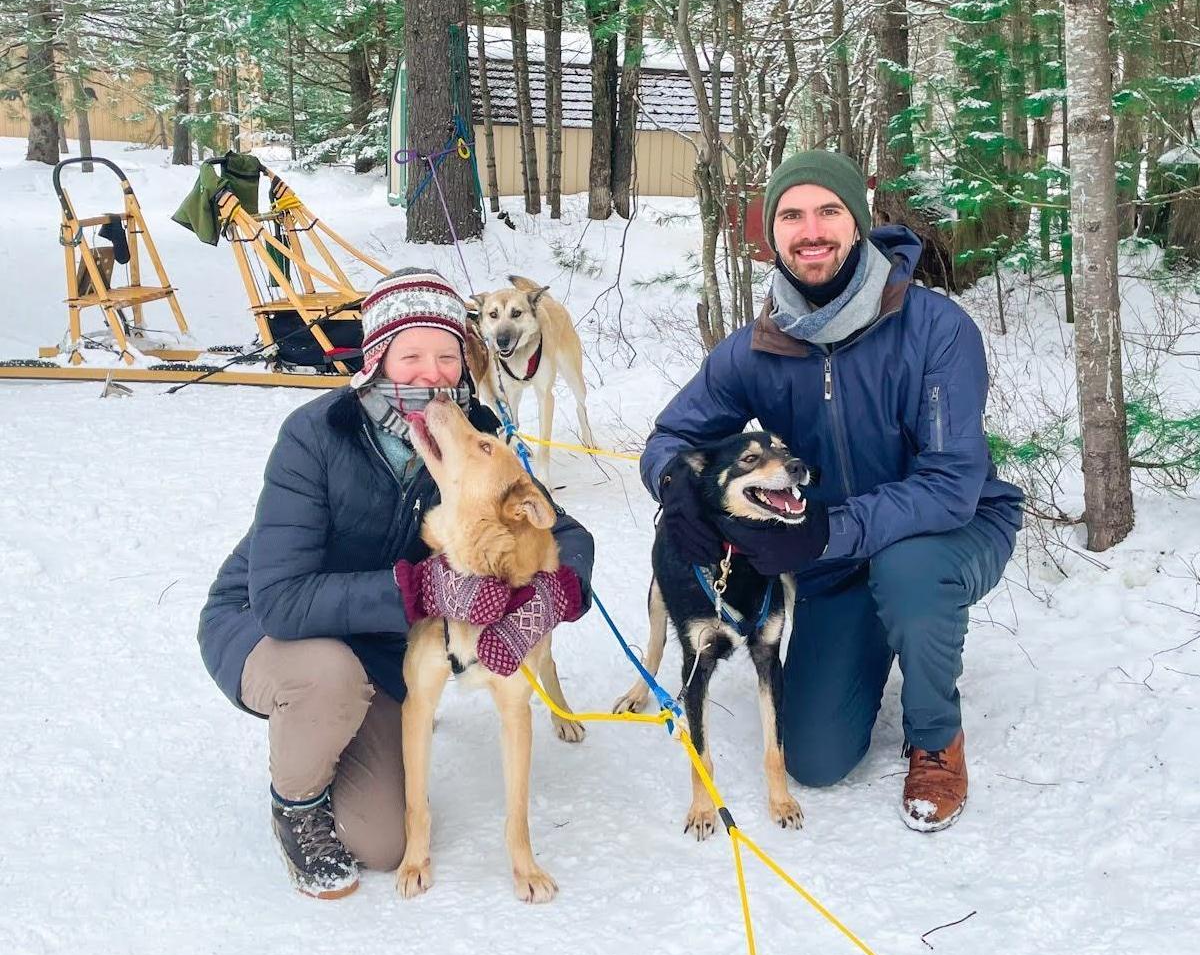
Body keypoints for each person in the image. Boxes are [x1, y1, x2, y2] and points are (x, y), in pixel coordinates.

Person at [642, 151, 1023, 831]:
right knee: (814, 759)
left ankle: (936, 737)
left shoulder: (936, 329)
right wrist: (674, 486)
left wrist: (827, 529)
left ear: (858, 223)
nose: (810, 229)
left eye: (828, 211)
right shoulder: (756, 348)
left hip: (952, 531)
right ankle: (873, 634)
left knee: (909, 572)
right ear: (772, 234)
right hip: (835, 558)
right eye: (791, 215)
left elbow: (950, 483)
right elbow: (672, 438)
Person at [198, 268, 595, 898]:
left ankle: (338, 744)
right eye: (409, 355)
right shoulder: (315, 435)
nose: (430, 374)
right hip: (263, 622)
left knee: (382, 843)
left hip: (379, 638)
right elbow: (280, 601)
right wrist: (423, 592)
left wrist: (555, 592)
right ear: (376, 359)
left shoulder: (468, 432)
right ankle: (296, 804)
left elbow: (559, 528)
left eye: (445, 356)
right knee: (327, 677)